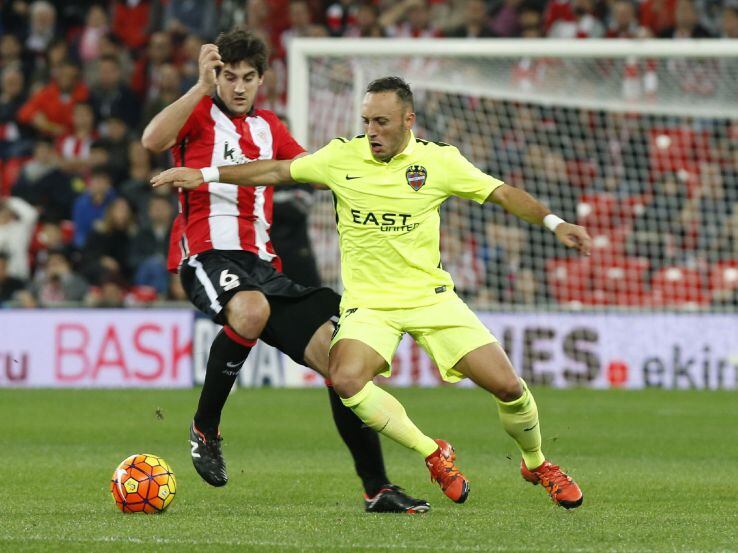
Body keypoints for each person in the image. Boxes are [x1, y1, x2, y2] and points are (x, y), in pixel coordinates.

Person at [152, 76, 592, 509]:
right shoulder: (342, 157)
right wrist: (205, 173)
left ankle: (536, 463)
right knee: (345, 379)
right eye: (366, 121)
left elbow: (502, 193)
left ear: (408, 120)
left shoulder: (439, 162)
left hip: (431, 299)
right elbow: (276, 170)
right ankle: (434, 454)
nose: (371, 132)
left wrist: (556, 224)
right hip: (369, 306)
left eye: (381, 122)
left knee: (509, 387)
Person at [141, 30, 426, 514]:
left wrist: (379, 175)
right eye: (228, 77)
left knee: (343, 368)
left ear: (261, 81)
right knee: (250, 311)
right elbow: (152, 140)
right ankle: (204, 429)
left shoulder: (269, 127)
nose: (237, 87)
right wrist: (198, 86)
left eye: (247, 78)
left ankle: (377, 488)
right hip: (207, 255)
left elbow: (314, 170)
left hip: (263, 265)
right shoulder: (197, 113)